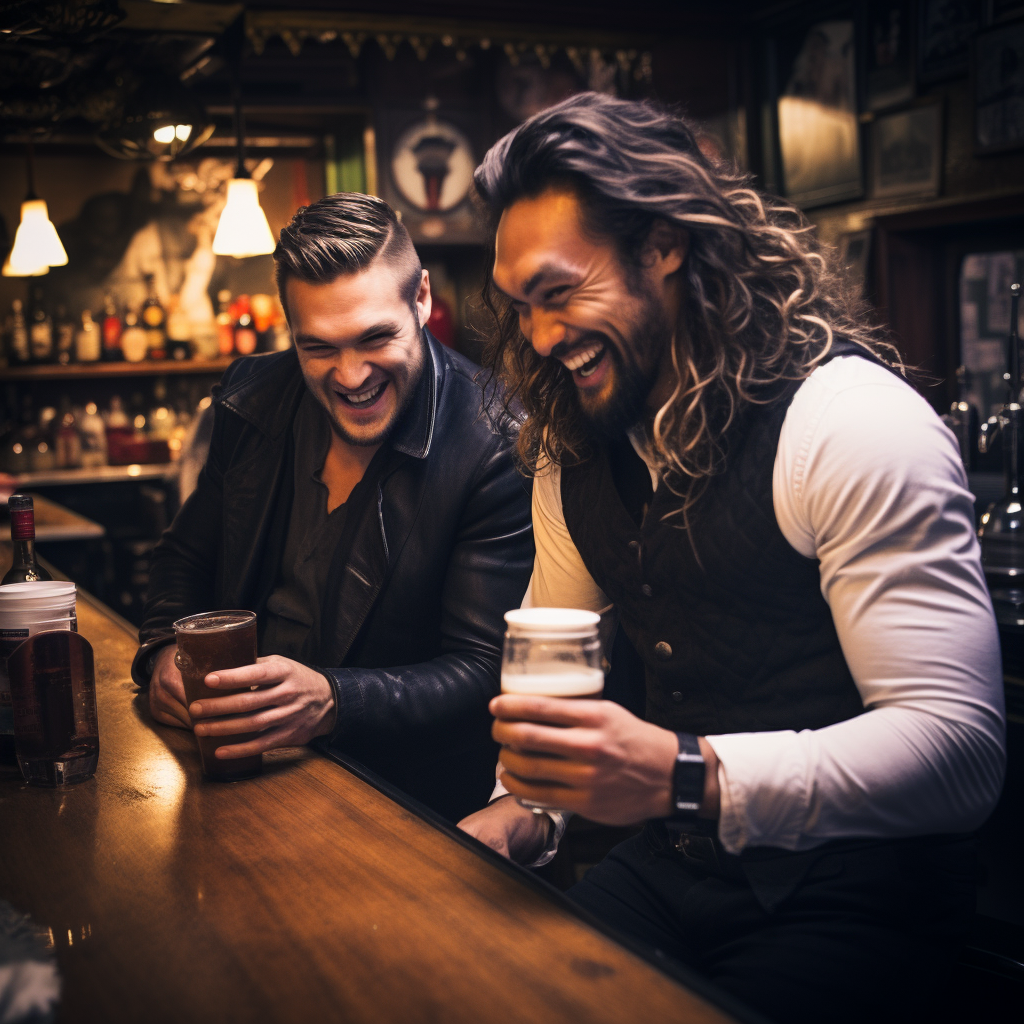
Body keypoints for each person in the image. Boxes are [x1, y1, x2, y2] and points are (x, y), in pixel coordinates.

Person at [457, 93, 1006, 1022]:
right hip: (672, 866)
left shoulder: (850, 424)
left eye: (561, 293)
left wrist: (683, 775)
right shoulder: (570, 443)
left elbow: (960, 753)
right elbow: (555, 660)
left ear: (664, 246)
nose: (542, 339)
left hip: (859, 896)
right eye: (522, 309)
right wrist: (524, 806)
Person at [132, 193, 533, 823]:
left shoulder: (497, 443)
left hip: (401, 800)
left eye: (375, 338)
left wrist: (334, 701)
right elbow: (185, 557)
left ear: (421, 299)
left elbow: (487, 669)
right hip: (231, 770)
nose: (350, 376)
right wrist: (160, 651)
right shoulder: (253, 397)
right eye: (318, 347)